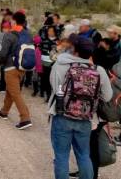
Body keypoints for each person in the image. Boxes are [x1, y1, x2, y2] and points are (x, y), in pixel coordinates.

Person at [48, 34, 112, 179]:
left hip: (62, 115)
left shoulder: (60, 65)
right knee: (84, 155)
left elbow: (54, 87)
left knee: (61, 156)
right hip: (85, 119)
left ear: (74, 50)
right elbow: (107, 96)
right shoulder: (98, 70)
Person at [0, 11, 32, 130]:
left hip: (10, 67)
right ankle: (4, 111)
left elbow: (3, 53)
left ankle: (25, 118)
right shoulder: (27, 34)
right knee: (11, 89)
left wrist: (1, 62)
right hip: (23, 67)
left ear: (14, 21)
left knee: (15, 93)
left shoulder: (9, 35)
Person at [40, 26, 59, 102]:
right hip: (45, 64)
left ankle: (54, 96)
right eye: (48, 31)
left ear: (54, 32)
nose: (49, 32)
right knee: (46, 80)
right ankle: (48, 95)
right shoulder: (44, 41)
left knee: (53, 80)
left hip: (54, 64)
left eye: (51, 31)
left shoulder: (58, 42)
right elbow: (40, 51)